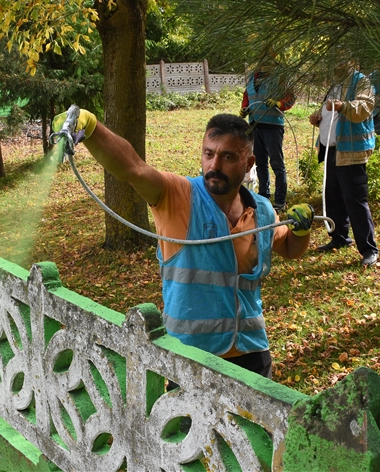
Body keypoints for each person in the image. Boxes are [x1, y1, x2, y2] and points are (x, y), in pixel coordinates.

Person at [53, 111, 314, 379]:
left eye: (228, 157)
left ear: (249, 163)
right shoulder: (178, 196)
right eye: (208, 153)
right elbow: (133, 167)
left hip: (252, 354)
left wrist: (302, 230)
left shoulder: (261, 211)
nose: (214, 165)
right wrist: (92, 127)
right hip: (190, 357)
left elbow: (290, 248)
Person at [309, 60, 380, 266]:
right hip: (332, 149)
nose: (336, 63)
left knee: (355, 200)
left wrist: (342, 105)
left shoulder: (361, 81)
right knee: (333, 196)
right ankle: (339, 237)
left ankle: (369, 249)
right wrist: (318, 118)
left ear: (352, 61)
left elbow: (364, 108)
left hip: (351, 151)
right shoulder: (335, 83)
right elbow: (329, 113)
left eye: (341, 58)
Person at [240, 65, 296, 211]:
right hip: (255, 124)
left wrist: (279, 104)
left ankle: (280, 202)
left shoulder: (280, 75)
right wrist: (244, 108)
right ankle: (263, 198)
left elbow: (291, 97)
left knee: (277, 163)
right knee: (260, 163)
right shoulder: (253, 76)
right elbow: (247, 96)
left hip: (273, 125)